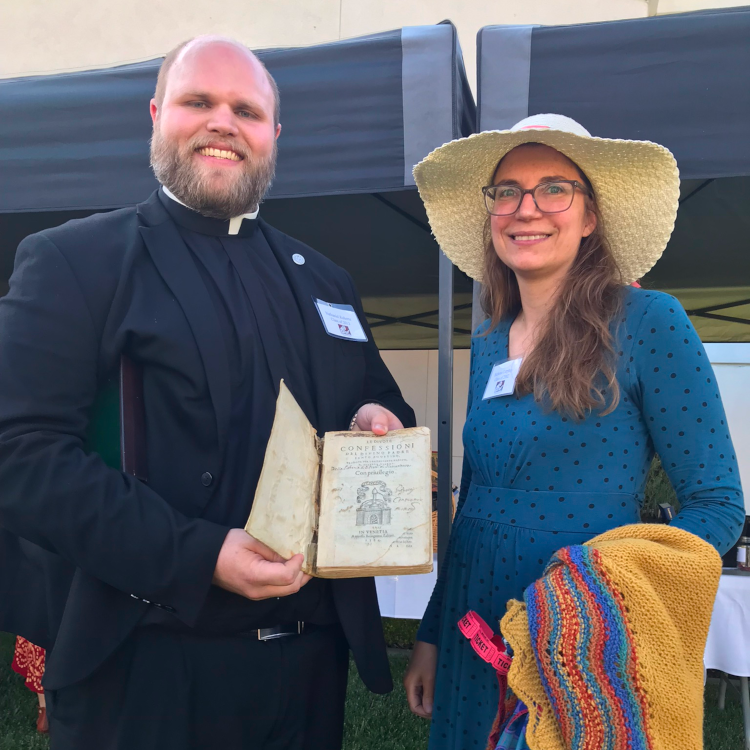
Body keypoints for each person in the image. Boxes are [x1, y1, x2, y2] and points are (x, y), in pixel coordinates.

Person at [0, 36, 414, 750]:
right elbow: (20, 455)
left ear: (273, 136)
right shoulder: (76, 261)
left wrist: (380, 421)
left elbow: (382, 405)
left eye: (246, 110)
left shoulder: (325, 281)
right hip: (146, 677)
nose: (223, 121)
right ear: (158, 115)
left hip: (310, 670)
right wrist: (198, 556)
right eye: (199, 102)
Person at [404, 113, 744, 749]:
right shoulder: (486, 342)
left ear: (590, 217)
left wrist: (604, 589)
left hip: (581, 637)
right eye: (507, 191)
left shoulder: (649, 321)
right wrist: (430, 632)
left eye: (553, 188)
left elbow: (719, 505)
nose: (526, 208)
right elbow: (472, 502)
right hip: (473, 620)